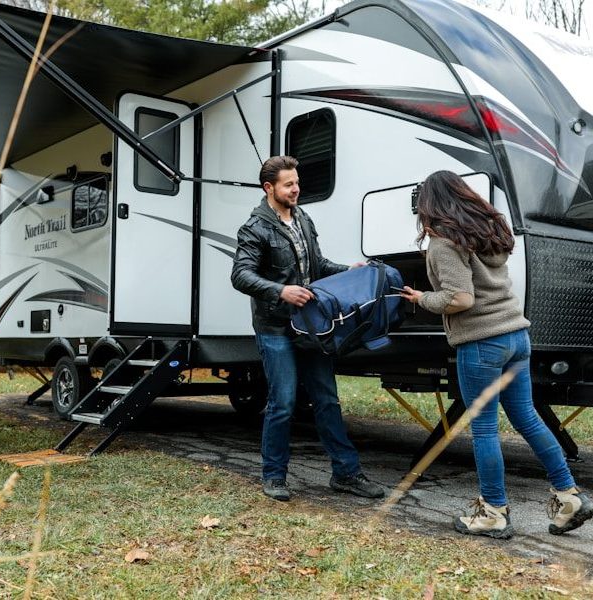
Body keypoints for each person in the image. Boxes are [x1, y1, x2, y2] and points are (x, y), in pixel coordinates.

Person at [400, 170, 592, 539]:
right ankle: (568, 496)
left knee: (485, 429)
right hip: (516, 336)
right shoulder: (488, 231)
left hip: (482, 343)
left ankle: (493, 512)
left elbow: (460, 299)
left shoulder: (445, 242)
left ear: (429, 204)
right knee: (529, 420)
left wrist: (421, 298)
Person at [231, 155, 385, 502]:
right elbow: (240, 275)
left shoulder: (303, 219)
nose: (296, 188)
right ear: (269, 188)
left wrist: (351, 270)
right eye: (289, 184)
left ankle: (346, 474)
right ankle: (274, 476)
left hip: (311, 327)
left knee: (327, 399)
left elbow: (317, 265)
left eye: (297, 182)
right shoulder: (254, 228)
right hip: (275, 326)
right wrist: (280, 290)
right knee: (283, 402)